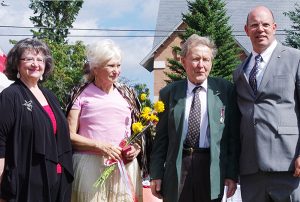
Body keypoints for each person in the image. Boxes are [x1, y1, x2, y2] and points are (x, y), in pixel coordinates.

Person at [150, 34, 240, 202]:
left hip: (211, 168)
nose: (201, 65)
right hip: (178, 167)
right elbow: (160, 140)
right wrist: (156, 173)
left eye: (206, 59)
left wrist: (231, 174)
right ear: (183, 62)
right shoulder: (169, 93)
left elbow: (232, 138)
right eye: (195, 59)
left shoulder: (226, 91)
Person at [233, 6, 300, 202]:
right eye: (254, 25)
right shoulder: (239, 72)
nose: (260, 29)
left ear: (274, 27)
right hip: (251, 170)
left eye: (265, 24)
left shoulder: (295, 58)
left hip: (288, 166)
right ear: (246, 30)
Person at [67, 39, 143, 202]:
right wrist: (99, 146)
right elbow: (69, 135)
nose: (116, 71)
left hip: (123, 165)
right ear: (95, 68)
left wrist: (136, 148)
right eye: (110, 66)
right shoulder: (79, 94)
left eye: (118, 65)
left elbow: (138, 134)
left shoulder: (128, 94)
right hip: (89, 165)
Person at [0, 38, 74, 201]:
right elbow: (1, 143)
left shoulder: (50, 97)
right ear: (17, 64)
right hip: (26, 185)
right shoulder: (10, 96)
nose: (35, 64)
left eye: (40, 59)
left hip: (57, 182)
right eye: (28, 59)